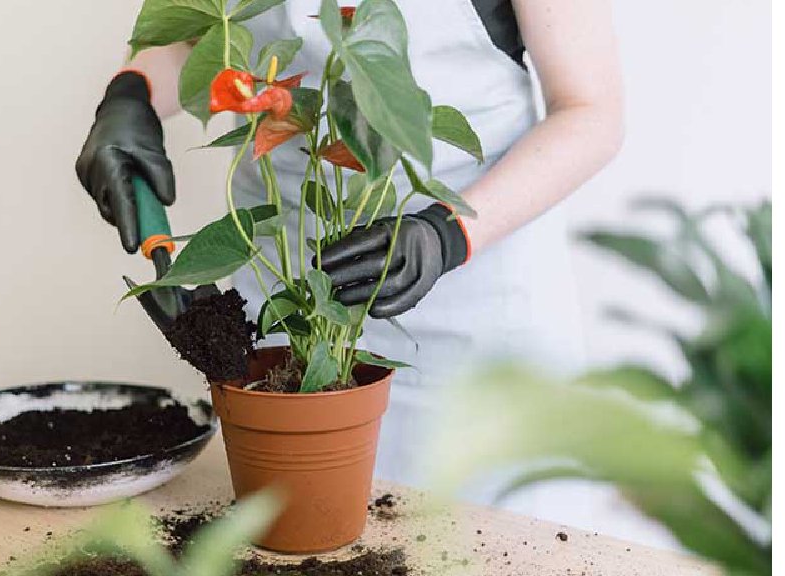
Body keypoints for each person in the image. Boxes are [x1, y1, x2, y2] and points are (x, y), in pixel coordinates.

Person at [77, 0, 630, 536]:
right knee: (296, 538)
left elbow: (590, 110)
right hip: (289, 286)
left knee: (492, 543)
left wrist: (447, 233)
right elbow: (200, 29)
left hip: (474, 292)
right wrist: (132, 92)